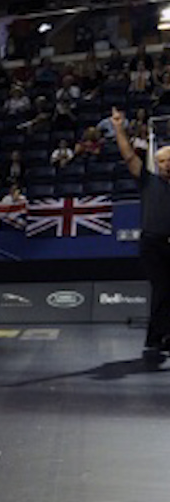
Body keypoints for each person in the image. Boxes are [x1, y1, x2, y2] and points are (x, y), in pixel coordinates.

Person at [112, 108, 170, 364]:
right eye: (162, 161)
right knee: (163, 287)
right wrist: (118, 128)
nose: (166, 164)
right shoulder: (148, 181)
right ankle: (157, 337)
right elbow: (127, 156)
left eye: (169, 160)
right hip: (152, 244)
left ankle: (159, 337)